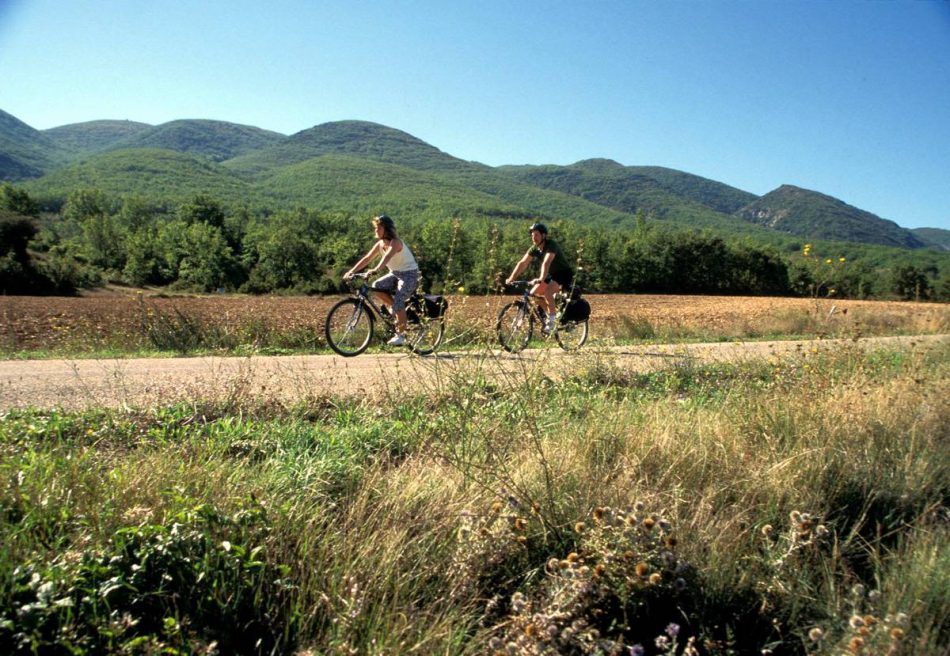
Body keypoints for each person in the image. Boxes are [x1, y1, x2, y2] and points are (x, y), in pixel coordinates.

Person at [343, 214, 420, 346]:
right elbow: (367, 259)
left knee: (399, 300)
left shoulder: (395, 242)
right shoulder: (380, 244)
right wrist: (351, 271)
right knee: (377, 285)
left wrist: (376, 269)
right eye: (375, 228)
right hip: (395, 274)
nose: (376, 231)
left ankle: (401, 335)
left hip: (410, 275)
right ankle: (396, 310)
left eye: (379, 228)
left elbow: (387, 257)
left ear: (387, 229)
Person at [505, 222, 575, 333]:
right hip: (550, 275)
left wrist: (541, 278)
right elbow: (523, 263)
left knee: (547, 291)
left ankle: (551, 323)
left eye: (536, 235)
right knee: (533, 294)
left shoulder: (551, 245)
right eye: (532, 235)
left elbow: (546, 263)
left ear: (544, 235)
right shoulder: (534, 249)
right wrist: (511, 278)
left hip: (563, 274)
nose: (534, 238)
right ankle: (553, 315)